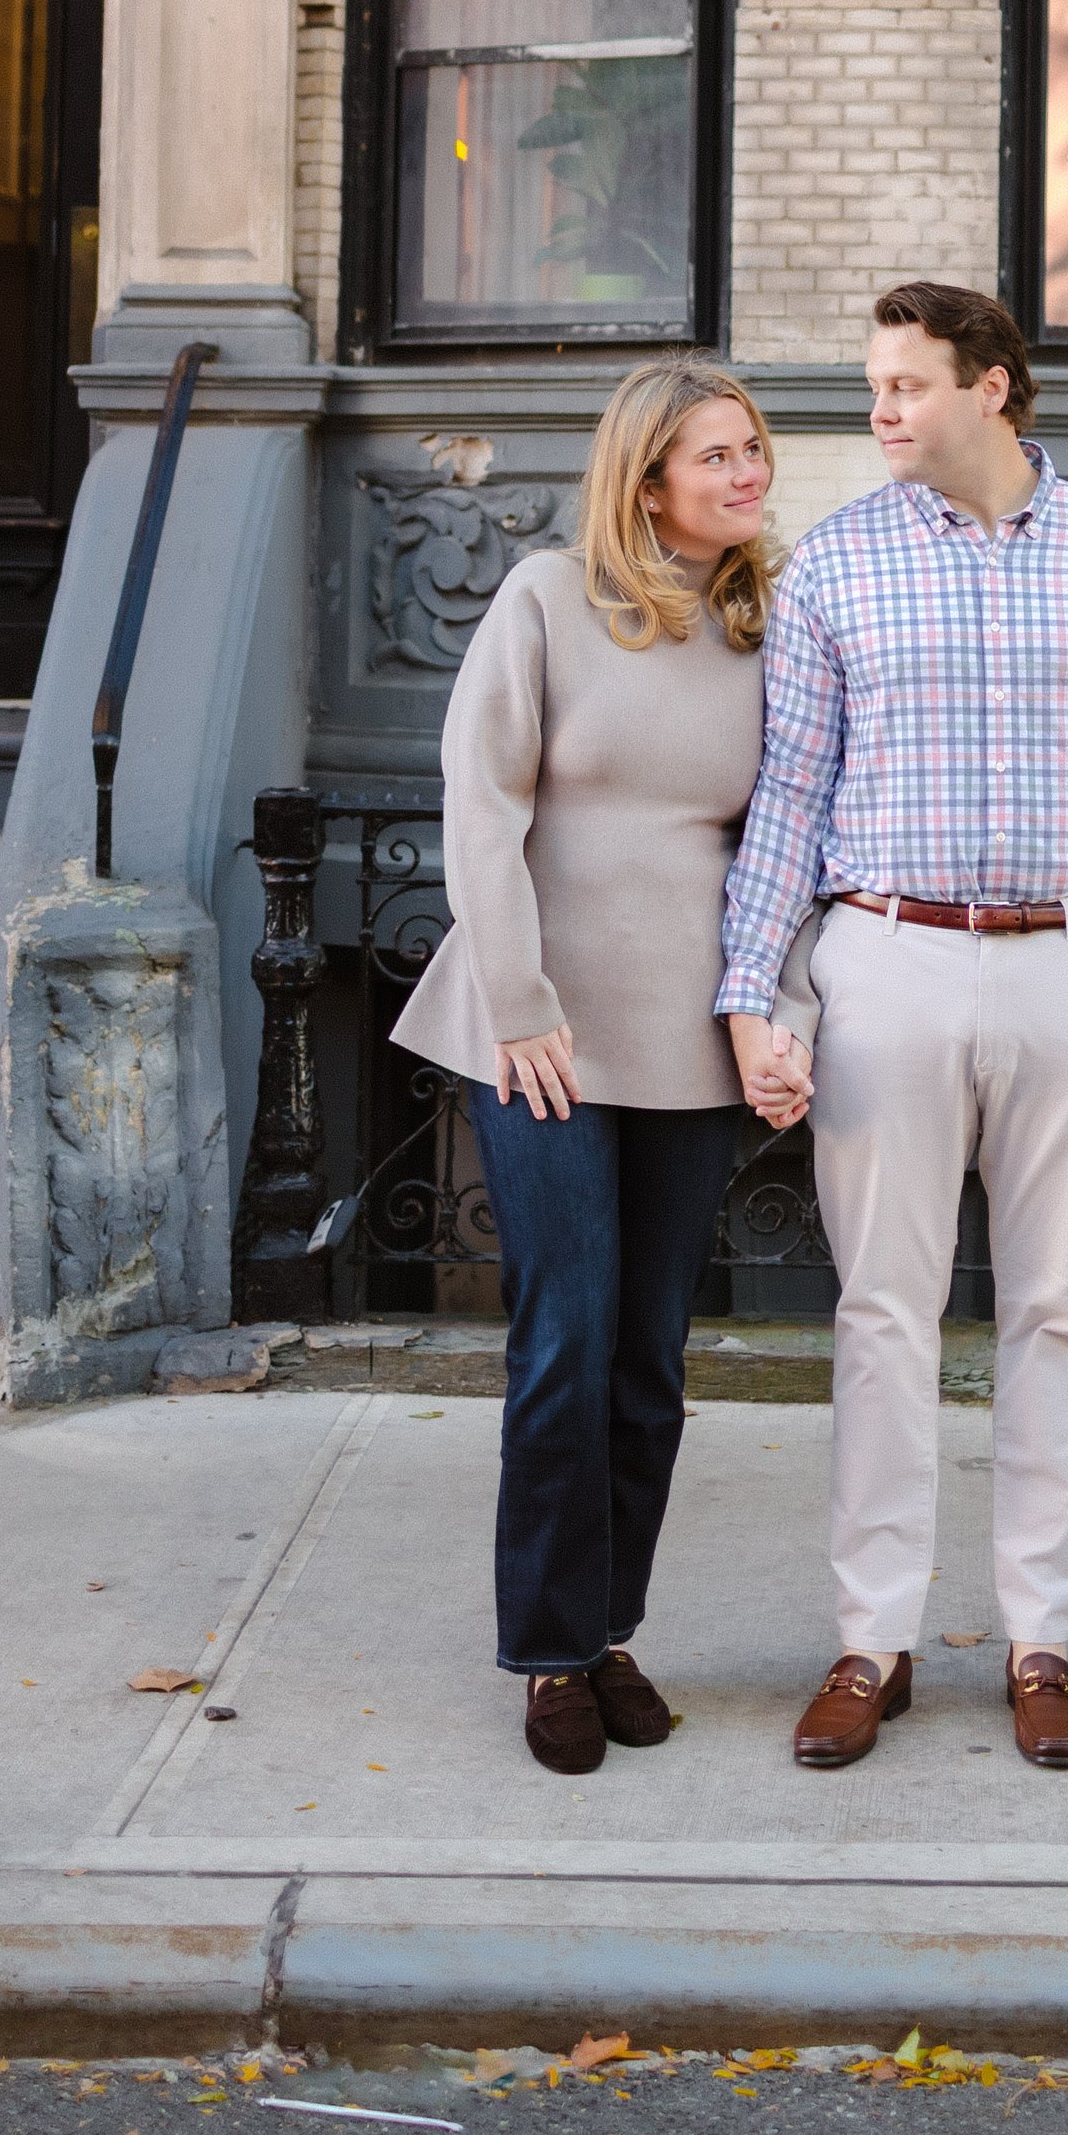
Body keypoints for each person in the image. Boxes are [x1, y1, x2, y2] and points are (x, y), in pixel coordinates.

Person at [718, 281, 1068, 1774]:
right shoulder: (834, 569)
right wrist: (759, 992)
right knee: (882, 1317)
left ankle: (1039, 1640)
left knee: (1056, 1314)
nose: (879, 410)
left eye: (905, 384)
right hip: (892, 962)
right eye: (873, 387)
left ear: (994, 386)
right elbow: (788, 805)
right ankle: (869, 1639)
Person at [397, 359, 809, 1776]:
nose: (749, 472)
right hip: (545, 1035)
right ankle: (547, 1652)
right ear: (648, 479)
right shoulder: (545, 599)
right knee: (563, 1345)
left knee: (650, 1361)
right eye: (717, 454)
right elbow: (481, 799)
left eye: (753, 449)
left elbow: (790, 840)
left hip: (691, 1035)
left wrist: (781, 1006)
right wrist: (517, 1002)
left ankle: (609, 1626)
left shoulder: (774, 621)